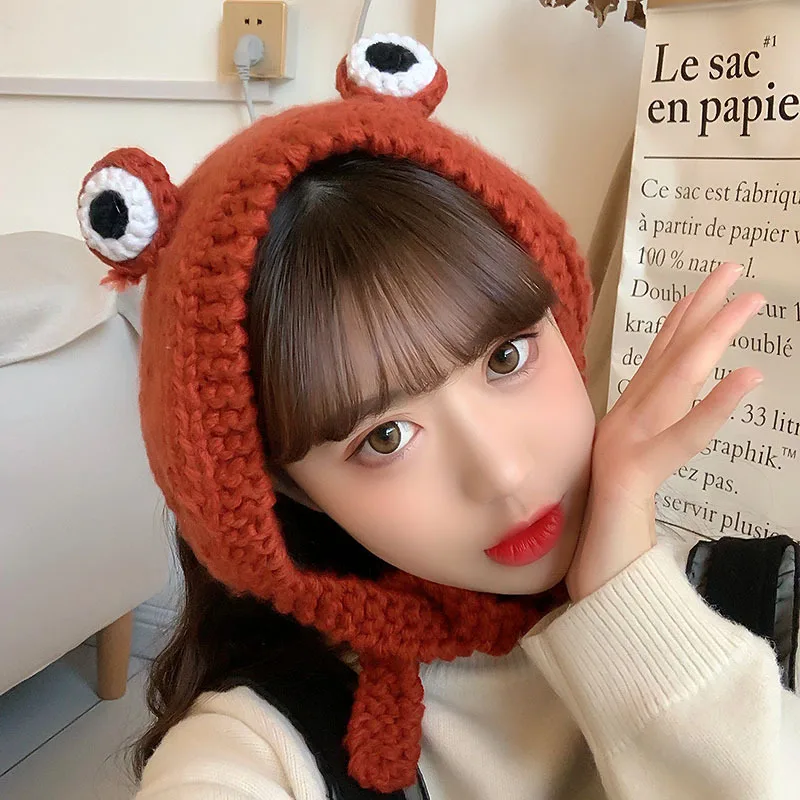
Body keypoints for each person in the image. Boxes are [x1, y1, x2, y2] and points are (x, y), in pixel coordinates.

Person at [76, 34, 800, 800]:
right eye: (384, 437)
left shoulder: (768, 601)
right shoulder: (262, 750)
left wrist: (625, 592)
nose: (503, 472)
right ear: (284, 489)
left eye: (507, 358)